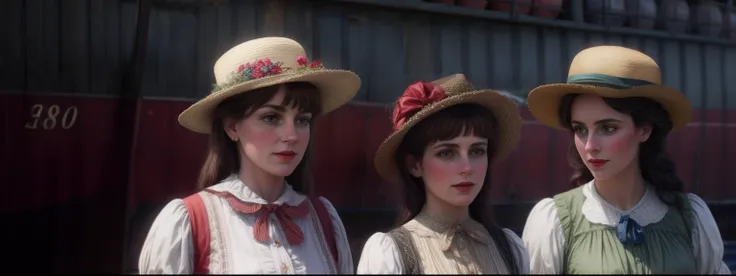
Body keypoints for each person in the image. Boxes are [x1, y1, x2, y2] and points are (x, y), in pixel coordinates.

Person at [138, 37, 361, 274]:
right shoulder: (191, 221)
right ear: (232, 127)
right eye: (271, 118)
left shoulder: (324, 219)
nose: (291, 135)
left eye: (302, 120)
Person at [522, 45, 731, 274]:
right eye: (580, 130)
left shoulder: (690, 217)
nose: (590, 145)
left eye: (608, 128)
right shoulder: (555, 222)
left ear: (644, 130)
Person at [356, 74, 530, 274]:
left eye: (476, 151)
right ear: (415, 165)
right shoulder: (391, 254)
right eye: (447, 153)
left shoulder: (510, 248)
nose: (467, 167)